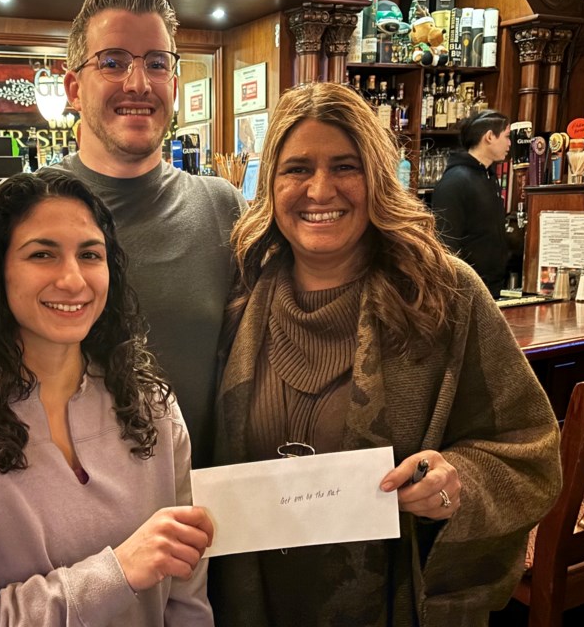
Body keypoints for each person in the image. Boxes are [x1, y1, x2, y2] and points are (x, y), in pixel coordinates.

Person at [209, 83, 561, 626]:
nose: (320, 189)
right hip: (251, 602)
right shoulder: (237, 292)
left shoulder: (445, 294)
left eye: (345, 166)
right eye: (297, 168)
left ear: (377, 176)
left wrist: (456, 484)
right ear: (269, 186)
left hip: (392, 605)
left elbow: (531, 450)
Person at [0, 169, 214, 625]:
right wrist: (118, 573)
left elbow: (187, 597)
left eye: (90, 255)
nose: (73, 280)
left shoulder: (153, 408)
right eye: (42, 254)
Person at [0, 0, 245, 468]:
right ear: (74, 89)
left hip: (199, 515)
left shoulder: (224, 208)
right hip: (60, 520)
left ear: (175, 85)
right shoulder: (9, 212)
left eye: (157, 63)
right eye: (113, 62)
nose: (138, 83)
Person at [430, 110, 511, 297]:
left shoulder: (488, 175)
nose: (509, 144)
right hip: (465, 291)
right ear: (489, 136)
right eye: (506, 137)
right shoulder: (455, 180)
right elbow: (445, 244)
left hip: (490, 287)